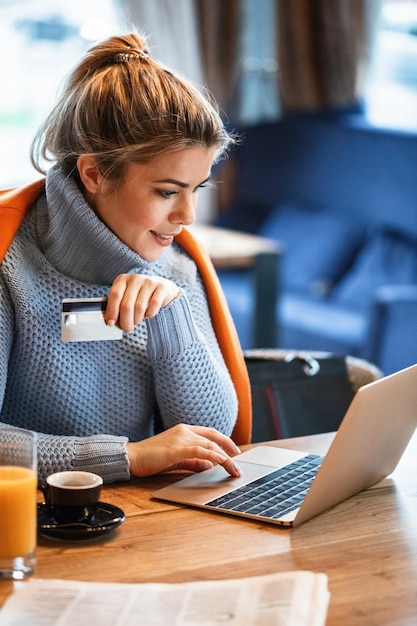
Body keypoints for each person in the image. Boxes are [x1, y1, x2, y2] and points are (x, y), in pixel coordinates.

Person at [0, 32, 251, 485]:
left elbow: (215, 435)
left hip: (145, 526)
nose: (187, 216)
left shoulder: (176, 266)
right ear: (95, 173)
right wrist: (129, 457)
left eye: (197, 190)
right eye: (167, 192)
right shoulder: (7, 266)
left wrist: (170, 314)